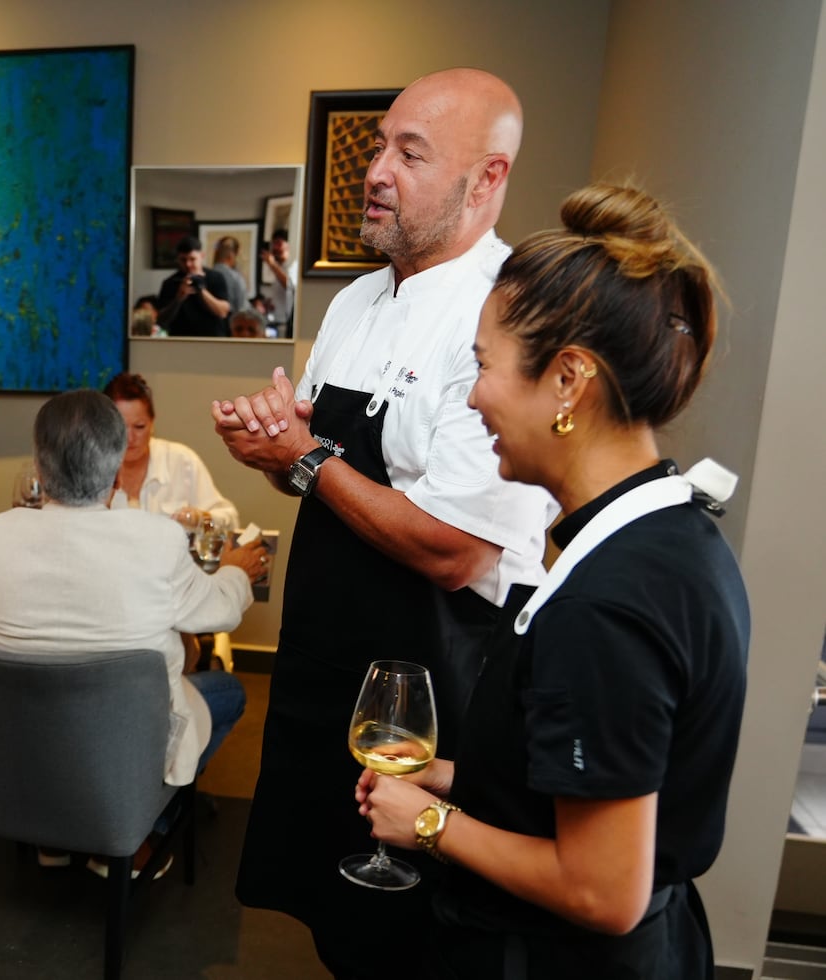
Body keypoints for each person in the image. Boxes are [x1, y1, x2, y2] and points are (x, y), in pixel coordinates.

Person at [212, 68, 558, 977]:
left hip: (430, 676)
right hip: (323, 662)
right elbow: (322, 478)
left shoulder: (509, 313)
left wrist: (305, 458)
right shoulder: (356, 301)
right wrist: (277, 451)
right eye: (379, 149)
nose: (377, 172)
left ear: (487, 180)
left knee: (414, 937)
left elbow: (453, 549)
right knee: (332, 912)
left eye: (411, 154)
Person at [356, 184, 750, 979]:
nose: (473, 396)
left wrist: (429, 823)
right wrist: (458, 777)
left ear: (568, 380)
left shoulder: (608, 603)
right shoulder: (671, 536)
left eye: (483, 366)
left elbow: (604, 888)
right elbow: (608, 785)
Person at [0, 390, 267, 873]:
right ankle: (134, 829)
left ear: (39, 467)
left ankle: (53, 833)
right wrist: (235, 570)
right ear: (117, 465)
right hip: (115, 752)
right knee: (227, 690)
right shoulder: (156, 542)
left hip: (11, 745)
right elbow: (220, 612)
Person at [103, 372, 238, 529]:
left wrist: (200, 519)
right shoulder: (91, 468)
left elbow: (230, 520)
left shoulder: (181, 461)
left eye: (139, 427)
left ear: (152, 424)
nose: (130, 438)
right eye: (121, 428)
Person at [156, 236, 231, 338]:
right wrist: (178, 298)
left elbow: (223, 312)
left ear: (202, 256)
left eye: (192, 259)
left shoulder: (215, 278)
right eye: (183, 260)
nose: (188, 264)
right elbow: (161, 320)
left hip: (213, 341)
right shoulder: (170, 283)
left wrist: (201, 289)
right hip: (181, 341)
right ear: (177, 259)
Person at [259, 228, 296, 335]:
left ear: (287, 246)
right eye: (273, 244)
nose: (275, 248)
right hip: (272, 321)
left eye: (279, 244)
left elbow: (290, 286)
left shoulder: (293, 266)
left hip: (285, 324)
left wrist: (272, 264)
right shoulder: (279, 267)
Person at [212, 236, 251, 315]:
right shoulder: (235, 277)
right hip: (232, 321)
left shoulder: (207, 275)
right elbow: (242, 308)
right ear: (231, 255)